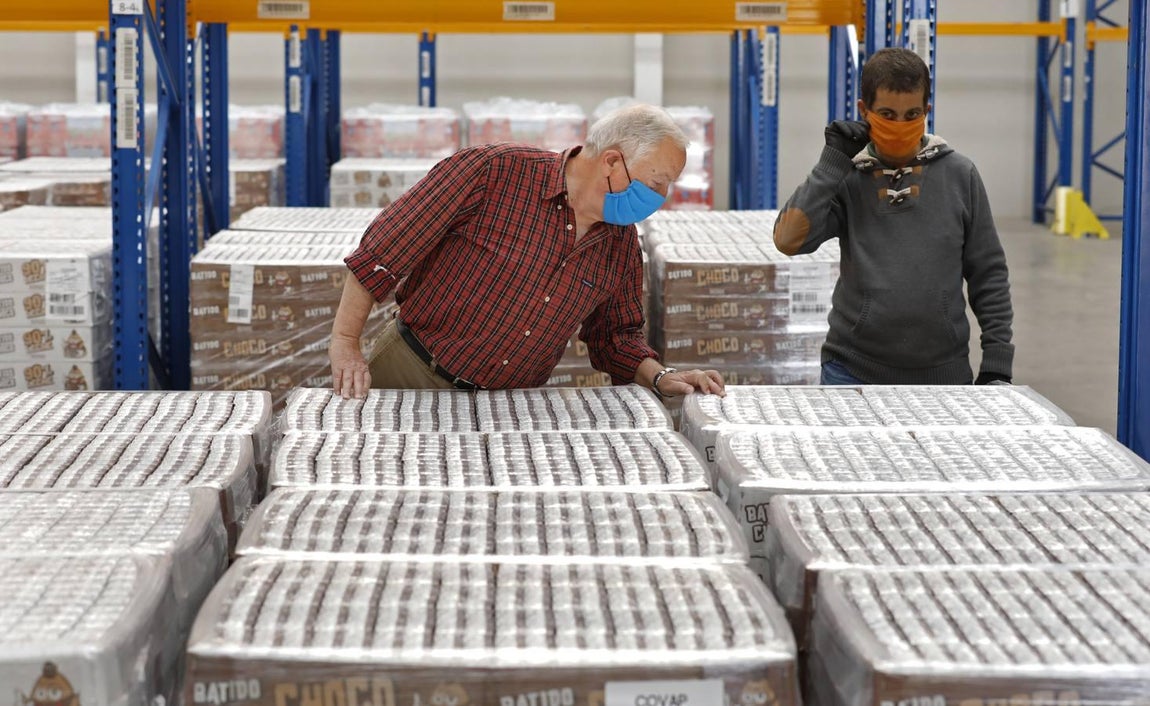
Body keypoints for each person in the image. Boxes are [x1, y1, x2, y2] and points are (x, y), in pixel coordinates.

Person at [329, 104, 726, 400]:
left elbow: (615, 338)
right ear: (611, 162)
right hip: (411, 372)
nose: (661, 197)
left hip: (511, 404)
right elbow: (383, 251)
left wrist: (660, 376)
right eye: (656, 182)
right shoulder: (493, 171)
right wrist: (346, 343)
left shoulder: (619, 244)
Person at [773, 48, 1014, 386]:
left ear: (927, 111)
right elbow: (788, 240)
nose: (900, 126)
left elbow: (988, 273)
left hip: (944, 375)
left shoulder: (960, 174)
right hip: (851, 372)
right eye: (887, 114)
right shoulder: (848, 178)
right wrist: (832, 163)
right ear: (864, 111)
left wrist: (997, 360)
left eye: (912, 114)